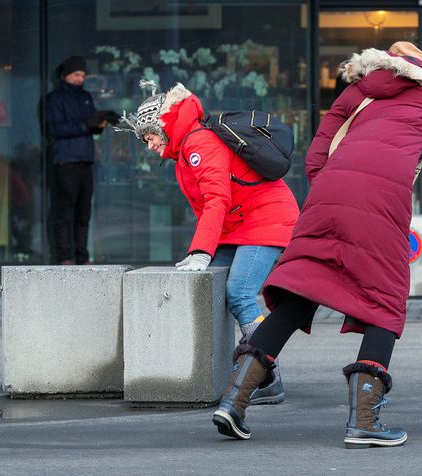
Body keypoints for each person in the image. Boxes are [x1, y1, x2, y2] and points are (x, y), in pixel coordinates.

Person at [212, 42, 422, 447]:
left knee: (300, 292)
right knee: (384, 300)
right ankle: (363, 421)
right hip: (380, 200)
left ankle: (233, 401)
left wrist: (338, 194)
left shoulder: (359, 91)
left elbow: (316, 157)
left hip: (328, 194)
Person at [121, 80, 300, 404]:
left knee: (239, 293)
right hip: (241, 225)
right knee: (212, 290)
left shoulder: (198, 143)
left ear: (161, 129)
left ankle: (265, 377)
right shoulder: (185, 150)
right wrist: (204, 251)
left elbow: (217, 199)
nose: (148, 146)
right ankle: (227, 371)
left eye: (148, 137)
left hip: (265, 220)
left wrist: (201, 251)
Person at [45, 55, 119, 265]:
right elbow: (56, 129)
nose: (80, 78)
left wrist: (101, 121)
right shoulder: (55, 99)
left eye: (83, 75)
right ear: (66, 75)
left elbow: (89, 124)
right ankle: (65, 256)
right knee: (65, 212)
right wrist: (86, 124)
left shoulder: (85, 96)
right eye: (77, 74)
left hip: (86, 162)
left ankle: (82, 257)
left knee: (83, 214)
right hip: (66, 162)